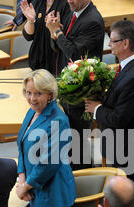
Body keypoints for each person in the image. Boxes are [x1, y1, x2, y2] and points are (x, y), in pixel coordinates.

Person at [84, 20, 134, 207]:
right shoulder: (128, 66)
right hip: (122, 143)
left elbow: (119, 118)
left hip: (127, 146)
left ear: (125, 44)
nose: (109, 45)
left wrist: (96, 109)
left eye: (113, 41)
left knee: (128, 193)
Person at [16, 69, 76, 207]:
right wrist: (22, 181)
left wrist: (26, 186)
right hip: (35, 188)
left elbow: (48, 163)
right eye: (29, 93)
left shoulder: (59, 120)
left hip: (52, 194)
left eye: (38, 94)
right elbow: (22, 146)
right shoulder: (33, 111)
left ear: (50, 95)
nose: (32, 98)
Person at [45, 0, 105, 170]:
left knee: (78, 140)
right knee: (72, 139)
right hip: (69, 87)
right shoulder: (73, 13)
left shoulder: (92, 20)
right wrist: (53, 33)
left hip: (81, 91)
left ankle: (84, 181)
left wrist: (57, 31)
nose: (69, 1)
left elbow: (75, 54)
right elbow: (59, 47)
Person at [8, 0, 71, 73]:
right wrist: (30, 21)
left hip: (56, 65)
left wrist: (54, 29)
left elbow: (64, 41)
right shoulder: (37, 2)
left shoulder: (67, 5)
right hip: (36, 62)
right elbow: (28, 36)